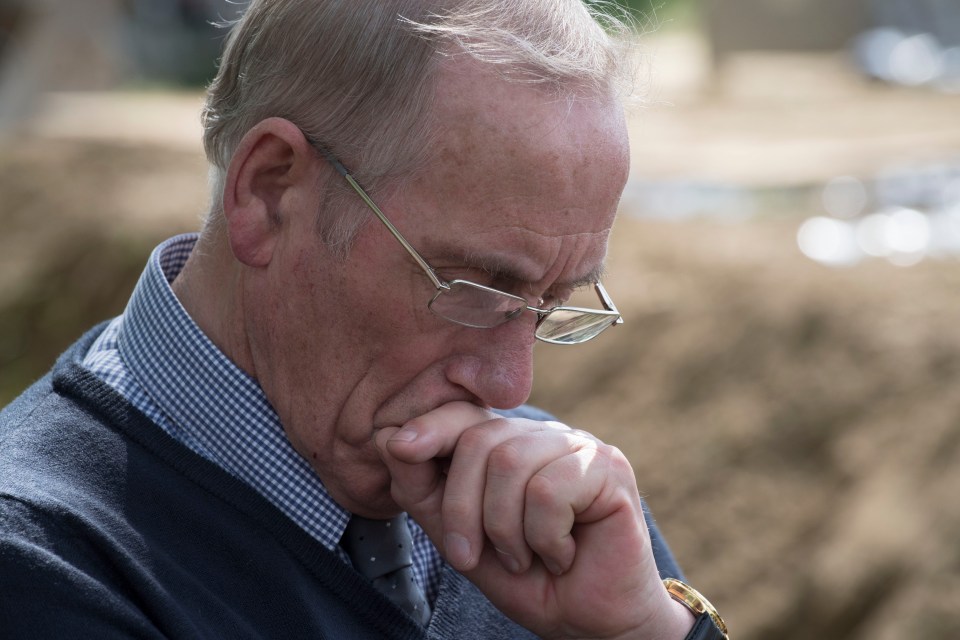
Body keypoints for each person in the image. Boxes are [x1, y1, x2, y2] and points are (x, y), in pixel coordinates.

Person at [0, 1, 728, 638]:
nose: (511, 386)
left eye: (553, 303)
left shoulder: (544, 502)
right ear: (269, 191)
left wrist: (646, 631)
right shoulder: (41, 560)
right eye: (474, 288)